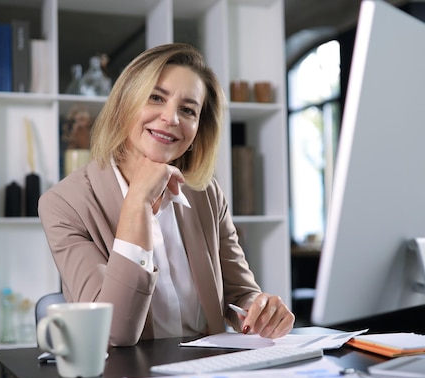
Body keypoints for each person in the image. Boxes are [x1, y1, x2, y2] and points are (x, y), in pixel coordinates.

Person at [38, 43, 295, 346]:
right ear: (125, 104)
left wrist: (261, 310)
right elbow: (111, 331)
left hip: (210, 375)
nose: (171, 118)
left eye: (188, 110)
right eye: (156, 98)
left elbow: (239, 292)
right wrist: (137, 202)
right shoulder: (64, 204)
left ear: (198, 128)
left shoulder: (206, 193)